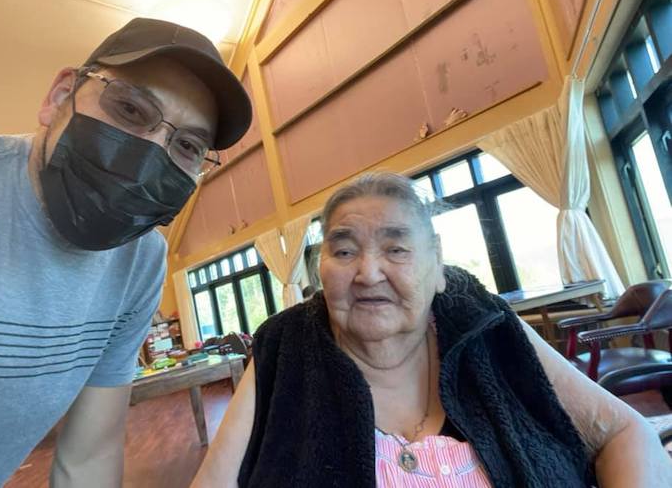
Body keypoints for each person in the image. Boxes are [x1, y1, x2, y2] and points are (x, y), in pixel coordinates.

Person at [192, 172, 672, 488]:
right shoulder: (284, 346)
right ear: (320, 271)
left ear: (438, 265)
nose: (368, 272)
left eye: (397, 249)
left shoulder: (488, 326)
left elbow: (625, 431)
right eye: (343, 251)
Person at [0, 17, 251, 488]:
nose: (146, 161)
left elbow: (89, 458)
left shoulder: (141, 262)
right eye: (129, 109)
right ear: (60, 96)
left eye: (186, 145)